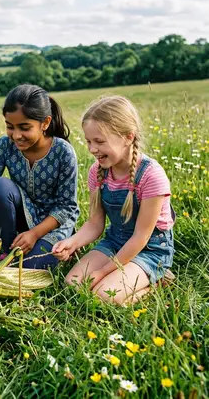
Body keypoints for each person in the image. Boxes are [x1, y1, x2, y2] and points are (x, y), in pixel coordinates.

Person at [52, 96, 175, 304]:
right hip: (115, 242)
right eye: (89, 141)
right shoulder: (97, 172)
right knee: (72, 283)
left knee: (103, 295)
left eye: (99, 141)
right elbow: (95, 224)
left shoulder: (151, 176)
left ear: (128, 137)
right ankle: (126, 278)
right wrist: (72, 243)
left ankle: (157, 282)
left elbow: (140, 237)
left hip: (149, 249)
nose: (92, 149)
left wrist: (103, 271)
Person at [0, 84, 79, 269]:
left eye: (25, 128)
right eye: (10, 127)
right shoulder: (4, 145)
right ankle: (7, 249)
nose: (16, 135)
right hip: (25, 215)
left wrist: (34, 234)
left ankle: (59, 249)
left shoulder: (63, 152)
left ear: (45, 123)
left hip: (54, 225)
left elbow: (66, 208)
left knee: (28, 267)